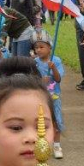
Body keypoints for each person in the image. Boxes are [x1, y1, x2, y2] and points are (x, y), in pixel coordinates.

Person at [32, 30, 65, 159]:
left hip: (54, 97)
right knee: (40, 121)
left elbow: (58, 79)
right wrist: (41, 81)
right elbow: (32, 79)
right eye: (36, 48)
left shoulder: (56, 61)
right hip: (39, 96)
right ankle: (41, 144)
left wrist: (53, 68)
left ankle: (57, 145)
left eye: (41, 47)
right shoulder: (35, 62)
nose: (38, 50)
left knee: (56, 120)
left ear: (50, 48)